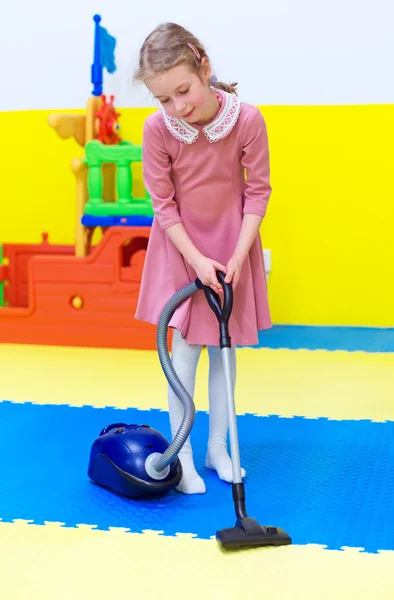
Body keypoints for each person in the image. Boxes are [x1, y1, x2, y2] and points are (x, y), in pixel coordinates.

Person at [133, 22, 272, 494]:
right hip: (182, 249)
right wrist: (194, 258)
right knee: (186, 352)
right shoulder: (159, 131)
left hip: (232, 246)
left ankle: (218, 448)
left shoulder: (248, 120)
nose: (178, 107)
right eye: (164, 99)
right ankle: (183, 455)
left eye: (183, 90)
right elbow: (163, 204)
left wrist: (237, 254)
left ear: (204, 66)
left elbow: (257, 193)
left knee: (225, 352)